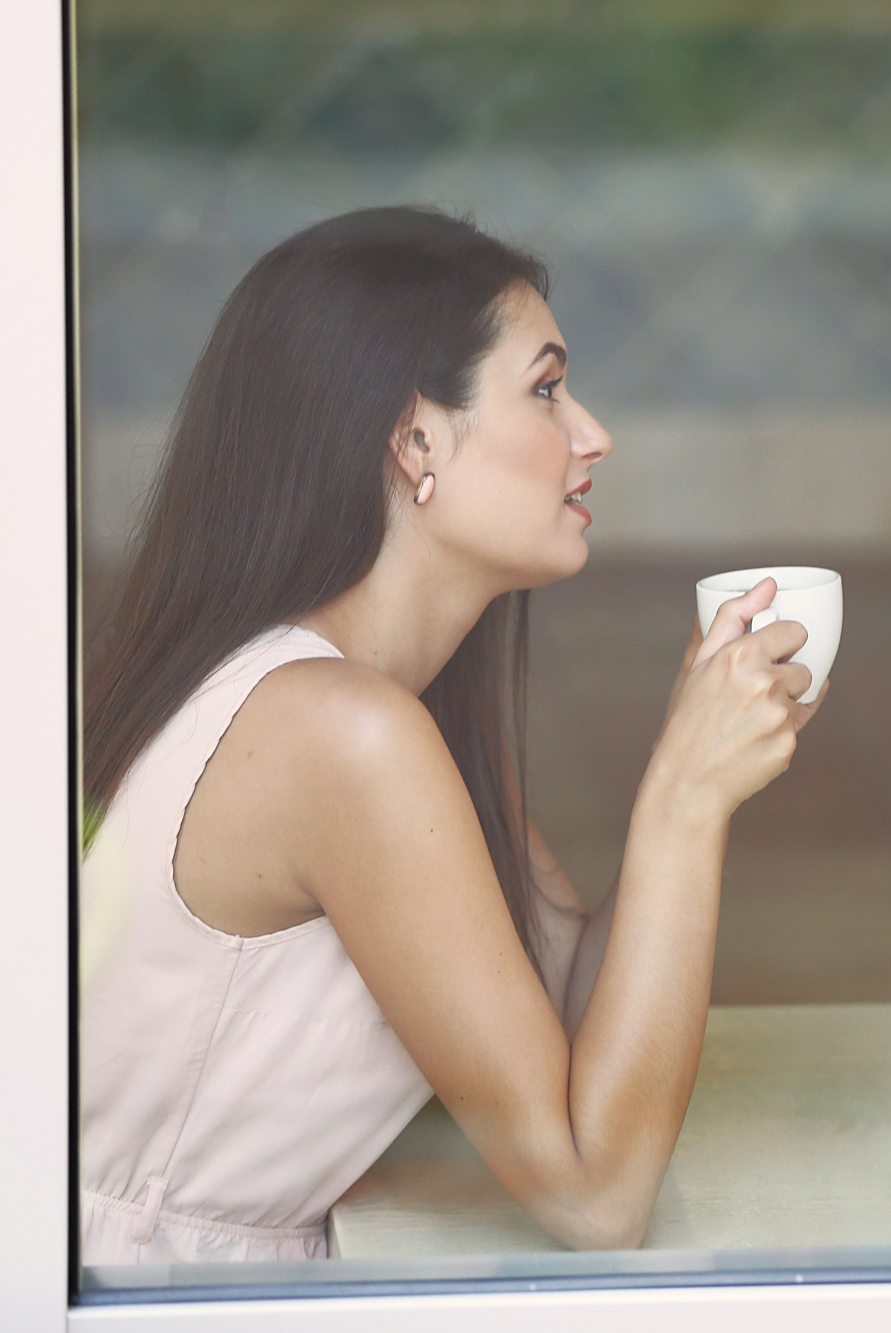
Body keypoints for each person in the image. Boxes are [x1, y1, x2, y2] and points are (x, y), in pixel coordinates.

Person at [79, 207, 824, 1262]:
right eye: (547, 389)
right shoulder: (341, 735)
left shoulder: (377, 712)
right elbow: (595, 1194)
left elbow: (569, 1007)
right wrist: (683, 800)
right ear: (415, 438)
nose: (592, 433)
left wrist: (693, 757)